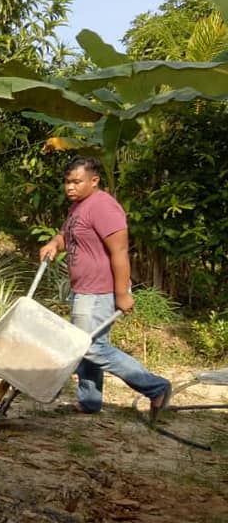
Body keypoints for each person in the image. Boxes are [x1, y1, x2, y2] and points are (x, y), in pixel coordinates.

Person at [40, 156, 172, 418]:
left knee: (89, 347)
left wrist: (122, 293)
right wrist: (54, 244)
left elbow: (120, 251)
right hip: (82, 288)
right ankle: (89, 401)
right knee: (89, 345)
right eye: (67, 182)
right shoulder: (79, 206)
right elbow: (67, 234)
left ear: (94, 180)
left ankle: (156, 387)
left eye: (76, 182)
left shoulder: (103, 207)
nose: (70, 188)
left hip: (100, 291)